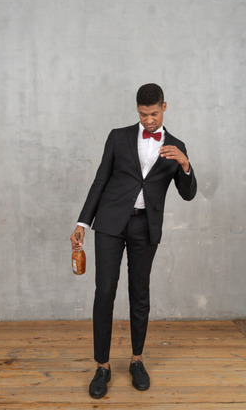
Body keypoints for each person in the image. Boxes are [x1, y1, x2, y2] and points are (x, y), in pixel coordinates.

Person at [70, 83, 197, 399]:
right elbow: (100, 180)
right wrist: (82, 223)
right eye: (143, 114)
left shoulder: (177, 146)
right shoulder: (118, 137)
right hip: (111, 224)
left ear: (164, 107)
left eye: (153, 114)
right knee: (105, 292)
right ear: (137, 110)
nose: (148, 121)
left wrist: (184, 163)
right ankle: (102, 366)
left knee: (140, 294)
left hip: (146, 227)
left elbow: (188, 193)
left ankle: (137, 361)